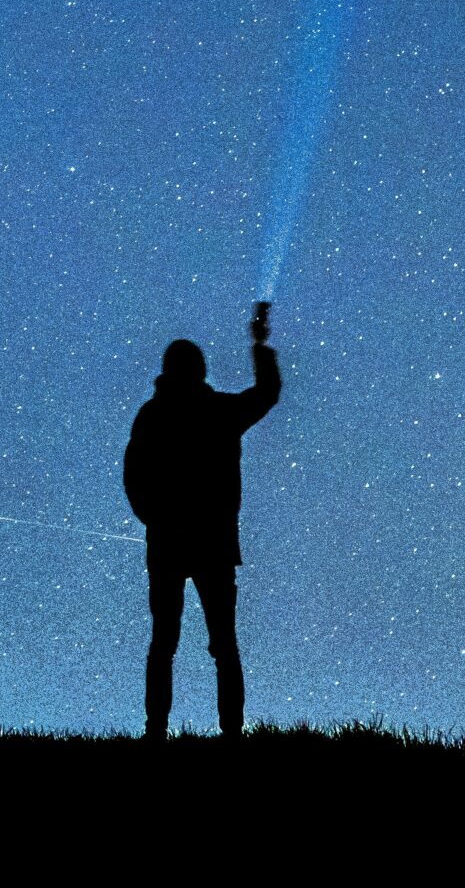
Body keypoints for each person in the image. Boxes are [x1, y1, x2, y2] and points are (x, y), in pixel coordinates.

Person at [121, 303, 281, 739]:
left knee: (167, 644)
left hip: (172, 543)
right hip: (208, 542)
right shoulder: (215, 413)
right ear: (199, 370)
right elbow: (266, 394)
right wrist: (260, 346)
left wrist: (156, 520)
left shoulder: (154, 415)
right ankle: (229, 734)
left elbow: (133, 478)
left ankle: (158, 732)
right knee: (219, 646)